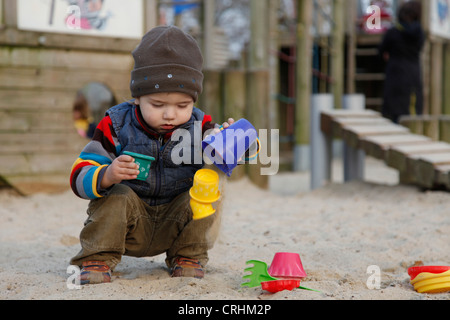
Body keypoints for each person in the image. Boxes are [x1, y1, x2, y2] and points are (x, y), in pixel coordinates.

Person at [69, 25, 234, 285]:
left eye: (183, 105)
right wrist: (107, 175)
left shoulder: (200, 125)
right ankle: (97, 257)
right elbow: (79, 174)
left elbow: (234, 153)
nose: (170, 114)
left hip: (175, 223)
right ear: (137, 97)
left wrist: (232, 141)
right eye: (157, 105)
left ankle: (188, 255)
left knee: (212, 187)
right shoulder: (116, 123)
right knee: (119, 194)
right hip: (129, 224)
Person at [379, 0, 425, 124]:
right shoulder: (420, 33)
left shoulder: (393, 32)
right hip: (413, 75)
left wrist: (388, 54)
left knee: (394, 116)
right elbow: (420, 47)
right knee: (413, 115)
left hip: (395, 75)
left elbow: (381, 50)